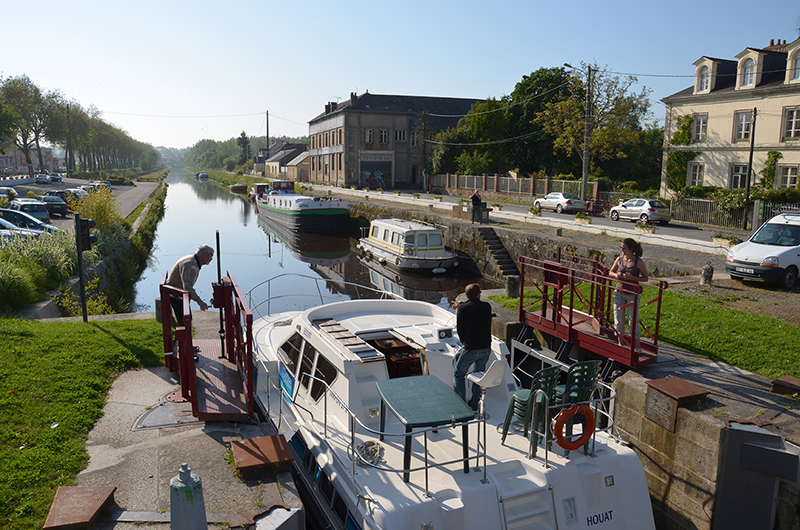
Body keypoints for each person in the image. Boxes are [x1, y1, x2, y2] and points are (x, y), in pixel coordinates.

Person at [452, 283, 493, 411]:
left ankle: (461, 405)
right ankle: (475, 404)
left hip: (471, 349)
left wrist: (465, 344)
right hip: (486, 349)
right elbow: (476, 308)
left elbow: (460, 330)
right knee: (478, 375)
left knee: (459, 374)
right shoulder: (487, 307)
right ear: (478, 294)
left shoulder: (463, 310)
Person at [609, 238, 649, 350]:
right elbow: (610, 272)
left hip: (632, 294)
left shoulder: (638, 262)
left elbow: (646, 278)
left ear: (631, 249)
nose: (622, 250)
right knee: (618, 319)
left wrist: (633, 278)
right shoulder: (619, 259)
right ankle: (620, 343)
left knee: (633, 320)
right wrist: (617, 276)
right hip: (619, 292)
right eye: (621, 248)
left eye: (624, 248)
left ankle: (636, 345)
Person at [166, 244, 214, 325]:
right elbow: (187, 286)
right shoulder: (191, 265)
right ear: (203, 254)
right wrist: (200, 301)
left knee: (186, 319)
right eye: (210, 256)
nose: (211, 259)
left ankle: (183, 335)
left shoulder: (192, 260)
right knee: (186, 320)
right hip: (175, 294)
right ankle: (183, 337)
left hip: (176, 291)